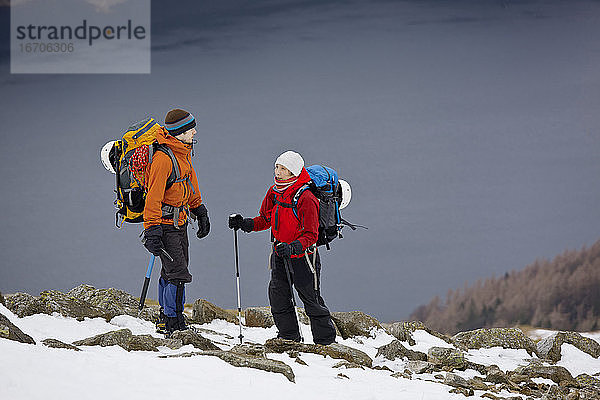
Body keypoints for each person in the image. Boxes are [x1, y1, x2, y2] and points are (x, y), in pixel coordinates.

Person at [229, 151, 336, 345]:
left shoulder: (306, 198)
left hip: (304, 256)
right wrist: (244, 223)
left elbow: (311, 235)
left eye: (283, 169)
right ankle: (288, 337)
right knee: (278, 296)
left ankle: (325, 342)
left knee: (310, 298)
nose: (277, 172)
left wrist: (293, 247)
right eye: (276, 167)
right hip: (279, 253)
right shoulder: (274, 192)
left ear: (294, 172)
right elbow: (265, 219)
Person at [142, 108, 210, 334]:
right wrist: (152, 229)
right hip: (165, 225)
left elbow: (189, 182)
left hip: (180, 222)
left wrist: (199, 209)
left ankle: (167, 316)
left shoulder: (182, 152)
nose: (195, 132)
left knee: (170, 272)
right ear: (180, 133)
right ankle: (173, 321)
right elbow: (153, 197)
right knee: (178, 273)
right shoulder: (163, 158)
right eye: (191, 129)